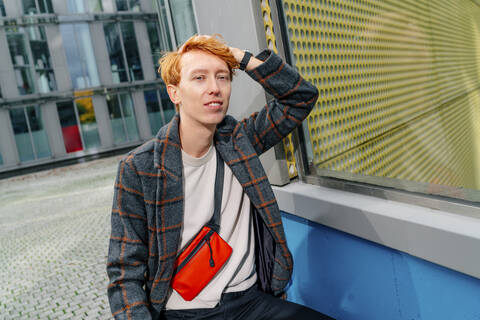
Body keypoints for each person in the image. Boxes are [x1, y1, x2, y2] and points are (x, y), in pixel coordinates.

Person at [107, 34, 332, 320]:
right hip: (185, 312)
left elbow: (300, 98)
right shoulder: (140, 168)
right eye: (199, 78)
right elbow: (124, 273)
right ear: (174, 92)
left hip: (250, 301)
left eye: (222, 78)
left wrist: (241, 58)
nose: (214, 88)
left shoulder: (239, 142)